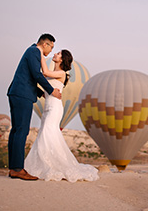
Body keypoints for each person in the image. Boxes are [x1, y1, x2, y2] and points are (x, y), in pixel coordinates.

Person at [24, 49, 99, 182]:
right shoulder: (53, 73)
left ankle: (50, 165)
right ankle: (43, 164)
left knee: (47, 132)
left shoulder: (61, 73)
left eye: (58, 54)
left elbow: (45, 73)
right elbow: (42, 79)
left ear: (62, 60)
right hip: (47, 107)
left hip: (54, 108)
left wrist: (40, 54)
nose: (55, 54)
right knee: (44, 134)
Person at [7, 34, 62, 180]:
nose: (51, 51)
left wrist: (40, 93)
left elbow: (29, 77)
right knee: (21, 131)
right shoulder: (34, 51)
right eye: (51, 47)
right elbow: (36, 75)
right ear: (46, 44)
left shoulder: (31, 51)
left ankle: (13, 168)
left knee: (16, 130)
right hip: (22, 95)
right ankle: (18, 168)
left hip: (18, 93)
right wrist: (51, 91)